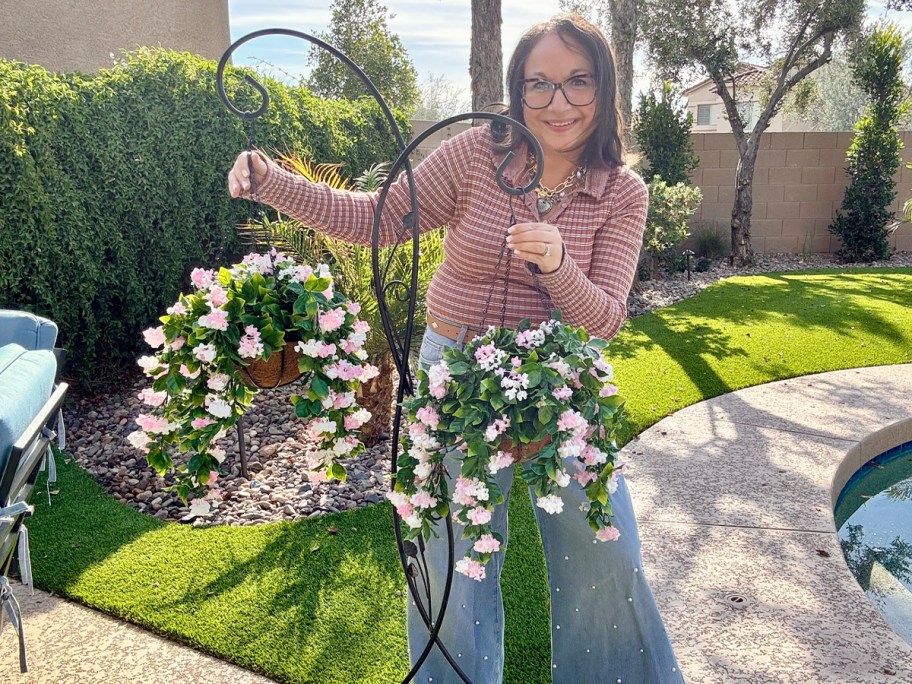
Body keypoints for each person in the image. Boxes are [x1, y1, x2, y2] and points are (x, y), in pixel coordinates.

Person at [227, 12, 682, 684]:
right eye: (540, 84)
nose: (558, 103)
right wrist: (273, 180)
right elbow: (373, 219)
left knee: (604, 552)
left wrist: (558, 265)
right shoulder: (477, 155)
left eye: (578, 82)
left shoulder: (622, 192)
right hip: (452, 377)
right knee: (449, 563)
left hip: (562, 382)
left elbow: (605, 319)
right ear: (516, 90)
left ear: (604, 89)